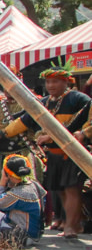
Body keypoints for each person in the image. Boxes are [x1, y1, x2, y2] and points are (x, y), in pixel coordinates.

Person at [5, 61, 90, 238]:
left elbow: (87, 117)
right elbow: (24, 121)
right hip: (53, 154)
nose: (51, 86)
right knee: (59, 189)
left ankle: (71, 225)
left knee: (71, 189)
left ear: (66, 82)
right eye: (48, 82)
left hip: (72, 154)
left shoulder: (78, 99)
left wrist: (82, 133)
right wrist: (2, 133)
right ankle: (66, 220)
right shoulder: (44, 102)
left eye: (56, 82)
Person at [0, 68, 44, 185]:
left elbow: (38, 128)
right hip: (1, 156)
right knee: (3, 189)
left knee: (27, 186)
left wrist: (40, 137)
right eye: (5, 86)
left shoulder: (31, 102)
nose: (8, 90)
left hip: (24, 152)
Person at [0, 155, 46, 246]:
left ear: (8, 174)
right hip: (14, 223)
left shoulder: (19, 193)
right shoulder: (33, 184)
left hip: (22, 235)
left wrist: (2, 181)